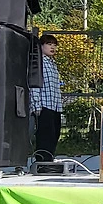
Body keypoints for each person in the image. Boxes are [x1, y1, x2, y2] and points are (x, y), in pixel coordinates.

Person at [30, 34, 64, 162]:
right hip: (44, 105)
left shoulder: (52, 63)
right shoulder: (39, 62)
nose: (53, 47)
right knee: (45, 135)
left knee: (55, 134)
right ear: (41, 46)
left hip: (55, 106)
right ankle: (42, 161)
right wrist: (36, 104)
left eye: (54, 45)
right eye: (49, 44)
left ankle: (49, 159)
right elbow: (35, 84)